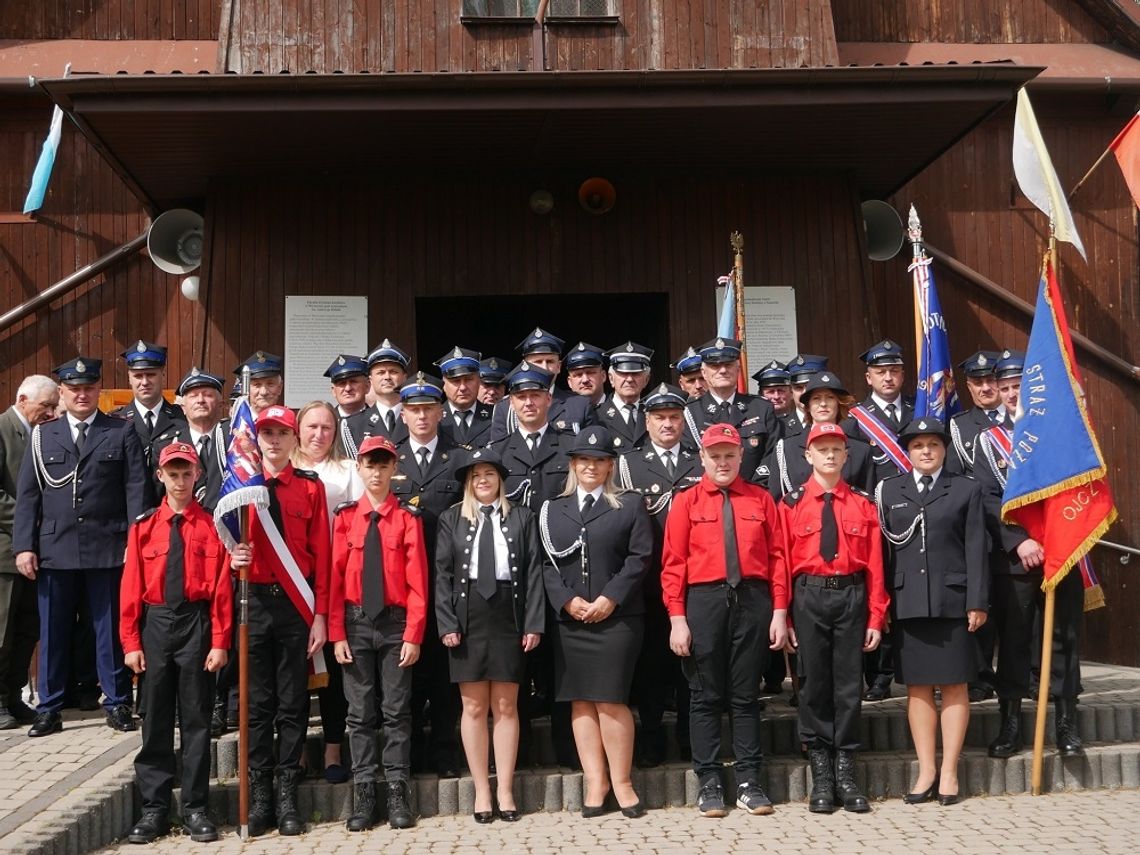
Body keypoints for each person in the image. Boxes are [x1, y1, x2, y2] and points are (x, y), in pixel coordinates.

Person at [13, 358, 150, 737]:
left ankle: (118, 701)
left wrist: (135, 542)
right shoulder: (44, 435)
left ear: (98, 390)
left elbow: (135, 490)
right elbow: (28, 496)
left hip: (108, 546)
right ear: (63, 393)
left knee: (109, 630)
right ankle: (50, 707)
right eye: (74, 389)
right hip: (55, 549)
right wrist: (24, 545)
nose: (82, 394)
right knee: (53, 630)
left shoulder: (120, 432)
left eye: (89, 387)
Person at [661, 423, 787, 818]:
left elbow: (778, 557)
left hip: (752, 600)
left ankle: (750, 781)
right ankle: (710, 781)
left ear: (741, 456)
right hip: (704, 601)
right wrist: (677, 618)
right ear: (702, 458)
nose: (723, 462)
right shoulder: (686, 502)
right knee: (704, 696)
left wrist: (780, 610)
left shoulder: (761, 499)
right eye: (715, 455)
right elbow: (673, 564)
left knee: (746, 695)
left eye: (730, 454)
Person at [120, 442, 234, 843]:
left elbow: (222, 589)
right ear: (161, 476)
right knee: (154, 718)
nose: (180, 480)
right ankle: (153, 809)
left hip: (195, 624)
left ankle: (196, 807)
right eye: (173, 473)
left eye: (187, 473)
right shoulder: (143, 527)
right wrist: (131, 642)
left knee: (197, 720)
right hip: (156, 623)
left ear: (198, 475)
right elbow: (131, 588)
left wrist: (220, 641)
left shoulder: (212, 526)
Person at [540, 426, 652, 818]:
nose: (591, 466)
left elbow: (639, 558)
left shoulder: (630, 504)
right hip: (571, 620)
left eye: (600, 460)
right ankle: (595, 781)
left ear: (610, 466)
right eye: (584, 460)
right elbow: (544, 562)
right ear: (573, 464)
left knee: (611, 700)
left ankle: (622, 783)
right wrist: (567, 601)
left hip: (617, 619)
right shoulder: (553, 508)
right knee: (581, 702)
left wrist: (610, 598)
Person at [876, 418, 987, 806]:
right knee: (918, 688)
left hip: (952, 601)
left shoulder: (964, 489)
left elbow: (976, 546)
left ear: (945, 450)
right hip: (908, 602)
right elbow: (883, 553)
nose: (926, 451)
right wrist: (882, 603)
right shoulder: (889, 489)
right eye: (918, 445)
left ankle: (951, 771)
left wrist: (977, 600)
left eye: (933, 445)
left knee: (955, 684)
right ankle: (926, 770)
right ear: (907, 451)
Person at [781, 422, 887, 814]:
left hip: (851, 595)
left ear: (847, 456)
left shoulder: (863, 504)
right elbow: (783, 565)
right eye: (821, 449)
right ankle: (821, 772)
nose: (829, 455)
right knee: (812, 684)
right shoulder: (790, 504)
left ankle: (846, 770)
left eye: (836, 449)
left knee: (847, 685)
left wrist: (877, 616)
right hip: (808, 596)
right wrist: (785, 616)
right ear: (807, 455)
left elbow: (875, 565)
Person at [436, 449, 544, 822]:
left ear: (501, 479)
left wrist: (533, 623)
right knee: (474, 707)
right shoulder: (452, 519)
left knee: (506, 706)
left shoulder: (522, 517)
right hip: (468, 617)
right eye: (476, 475)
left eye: (490, 474)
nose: (483, 480)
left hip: (508, 615)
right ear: (468, 482)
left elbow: (533, 573)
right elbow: (443, 576)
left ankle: (506, 789)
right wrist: (447, 623)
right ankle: (482, 790)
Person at [241, 404, 330, 836]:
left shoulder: (310, 489)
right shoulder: (242, 488)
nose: (274, 440)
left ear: (294, 440)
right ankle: (259, 799)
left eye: (282, 433)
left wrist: (320, 617)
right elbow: (227, 548)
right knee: (257, 708)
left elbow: (324, 558)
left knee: (293, 705)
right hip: (254, 604)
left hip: (297, 606)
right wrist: (232, 556)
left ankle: (287, 796)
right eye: (267, 433)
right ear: (256, 439)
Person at [331, 435, 427, 832]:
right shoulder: (344, 518)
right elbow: (334, 580)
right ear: (359, 467)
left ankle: (396, 791)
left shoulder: (406, 519)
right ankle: (365, 792)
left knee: (396, 711)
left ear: (393, 468)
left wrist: (414, 634)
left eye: (383, 464)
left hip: (394, 624)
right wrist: (336, 632)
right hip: (354, 622)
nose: (376, 471)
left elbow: (418, 580)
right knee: (359, 713)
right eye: (370, 464)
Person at [491, 362, 578, 767]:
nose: (529, 402)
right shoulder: (497, 453)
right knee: (515, 665)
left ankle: (567, 751)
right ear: (511, 401)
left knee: (562, 663)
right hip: (514, 573)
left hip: (563, 568)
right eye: (521, 396)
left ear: (549, 399)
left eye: (536, 395)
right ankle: (519, 755)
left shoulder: (568, 449)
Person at [617, 383, 702, 766]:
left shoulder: (700, 460)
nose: (667, 424)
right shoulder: (627, 464)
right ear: (646, 421)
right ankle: (650, 740)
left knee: (691, 670)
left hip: (694, 582)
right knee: (650, 668)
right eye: (659, 418)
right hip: (648, 585)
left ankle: (689, 740)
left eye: (674, 417)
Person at [388, 373, 464, 777]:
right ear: (403, 414)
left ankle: (445, 754)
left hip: (447, 582)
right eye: (414, 410)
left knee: (444, 673)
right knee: (407, 675)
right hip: (402, 585)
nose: (421, 416)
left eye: (428, 409)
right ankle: (411, 754)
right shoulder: (390, 457)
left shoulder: (459, 457)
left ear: (440, 411)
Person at [292, 400, 364, 783]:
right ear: (298, 430)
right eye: (311, 427)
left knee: (333, 671)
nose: (318, 435)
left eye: (326, 427)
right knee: (296, 670)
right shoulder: (284, 470)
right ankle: (300, 750)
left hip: (335, 580)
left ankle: (334, 749)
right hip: (293, 579)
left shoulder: (348, 471)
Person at [0, 375, 59, 729]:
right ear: (23, 400)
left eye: (55, 406)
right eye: (45, 406)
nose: (51, 413)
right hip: (5, 552)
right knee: (2, 631)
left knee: (27, 630)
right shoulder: (3, 429)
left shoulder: (42, 433)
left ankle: (13, 695)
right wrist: (28, 522)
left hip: (38, 551)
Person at [765, 373, 875, 500]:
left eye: (830, 398)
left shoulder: (861, 450)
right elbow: (777, 499)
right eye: (816, 398)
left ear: (838, 403)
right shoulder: (786, 448)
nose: (823, 404)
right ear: (808, 406)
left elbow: (868, 501)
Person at [684, 338, 778, 485]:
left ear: (738, 369)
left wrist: (751, 489)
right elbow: (690, 458)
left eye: (728, 365)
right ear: (704, 372)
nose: (722, 370)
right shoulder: (690, 413)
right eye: (715, 365)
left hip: (755, 494)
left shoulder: (761, 408)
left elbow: (773, 454)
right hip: (708, 497)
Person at [489, 328, 598, 442]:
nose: (544, 368)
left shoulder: (579, 404)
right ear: (524, 365)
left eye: (550, 362)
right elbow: (499, 452)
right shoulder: (505, 407)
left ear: (559, 366)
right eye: (538, 362)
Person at [151, 369, 230, 513]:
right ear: (183, 408)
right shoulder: (166, 444)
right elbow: (156, 496)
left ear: (220, 404)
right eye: (193, 396)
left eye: (208, 395)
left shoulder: (233, 440)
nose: (200, 400)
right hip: (184, 526)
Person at [110, 340, 186, 469]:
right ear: (129, 378)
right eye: (138, 376)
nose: (144, 382)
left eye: (151, 374)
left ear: (163, 375)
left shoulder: (183, 418)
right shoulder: (114, 422)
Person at [946, 351, 1008, 476]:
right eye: (978, 383)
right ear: (969, 387)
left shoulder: (1021, 416)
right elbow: (954, 479)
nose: (985, 388)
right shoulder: (960, 426)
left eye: (991, 380)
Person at [345, 340, 411, 455]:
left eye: (393, 372)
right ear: (370, 380)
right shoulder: (354, 425)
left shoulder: (419, 418)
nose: (387, 377)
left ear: (404, 377)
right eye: (381, 372)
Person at [595, 342, 653, 451]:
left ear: (646, 380)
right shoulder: (596, 416)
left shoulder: (655, 413)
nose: (629, 379)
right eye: (623, 373)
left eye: (636, 374)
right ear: (611, 379)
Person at [436, 347, 495, 450]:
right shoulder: (433, 419)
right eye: (456, 381)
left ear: (478, 381)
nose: (463, 387)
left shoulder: (495, 416)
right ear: (444, 384)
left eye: (468, 380)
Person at [324, 355, 370, 456]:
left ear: (367, 386)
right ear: (333, 391)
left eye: (353, 382)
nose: (348, 388)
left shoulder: (379, 420)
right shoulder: (325, 422)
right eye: (342, 383)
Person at [783, 354, 829, 439]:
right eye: (798, 388)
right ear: (791, 391)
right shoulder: (780, 426)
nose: (804, 392)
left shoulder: (844, 423)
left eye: (810, 386)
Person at [232, 352, 284, 418]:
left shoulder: (290, 426)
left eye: (270, 384)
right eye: (257, 385)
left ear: (280, 388)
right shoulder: (234, 426)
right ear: (244, 389)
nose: (263, 392)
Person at [565, 342, 607, 407]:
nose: (585, 380)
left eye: (590, 373)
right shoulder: (561, 413)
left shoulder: (621, 409)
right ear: (569, 382)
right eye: (578, 374)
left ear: (603, 376)